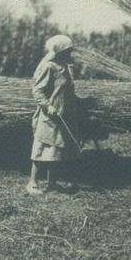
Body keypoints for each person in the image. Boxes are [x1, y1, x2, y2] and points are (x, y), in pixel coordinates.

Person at [26, 34, 80, 195]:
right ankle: (32, 184)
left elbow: (66, 91)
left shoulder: (65, 67)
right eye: (67, 50)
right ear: (60, 51)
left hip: (63, 117)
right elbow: (37, 91)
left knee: (57, 151)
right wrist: (48, 106)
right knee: (41, 149)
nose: (70, 53)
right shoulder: (48, 66)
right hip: (49, 116)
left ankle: (52, 184)